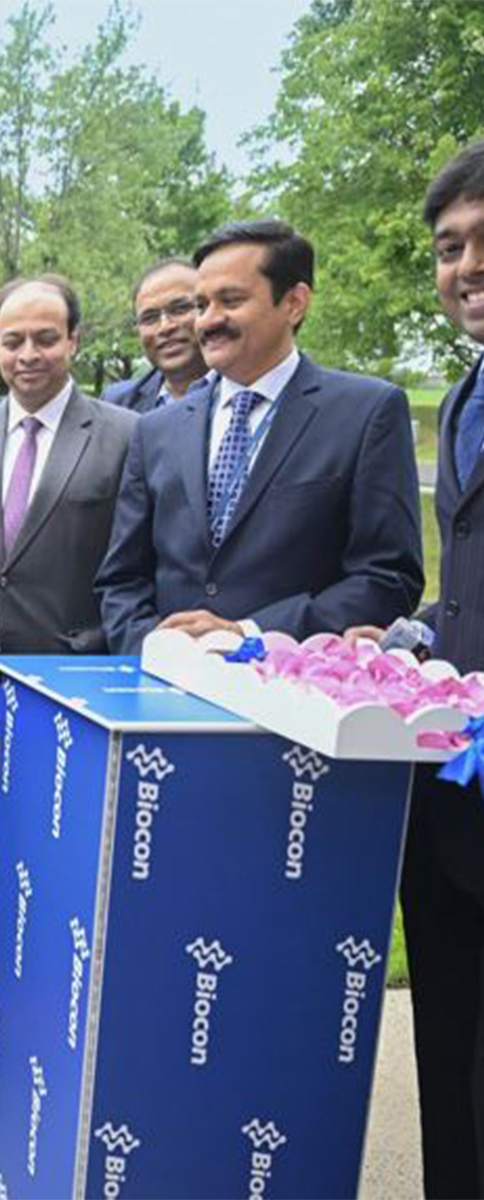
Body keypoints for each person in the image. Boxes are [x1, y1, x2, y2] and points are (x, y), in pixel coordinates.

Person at [0, 275, 137, 1046]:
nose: (28, 354)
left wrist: (96, 652)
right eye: (13, 339)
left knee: (71, 849)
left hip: (73, 681)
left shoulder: (124, 435)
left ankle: (70, 994)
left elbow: (133, 562)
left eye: (45, 337)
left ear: (75, 341)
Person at [348, 140, 484, 1198]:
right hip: (447, 795)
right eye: (449, 247)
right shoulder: (463, 395)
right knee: (447, 1037)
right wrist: (410, 638)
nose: (465, 266)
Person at [95, 219, 423, 654]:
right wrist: (152, 653)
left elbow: (387, 579)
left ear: (294, 303)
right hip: (162, 693)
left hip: (294, 700)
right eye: (201, 304)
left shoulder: (366, 413)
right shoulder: (156, 430)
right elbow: (122, 578)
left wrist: (248, 635)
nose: (208, 321)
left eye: (230, 301)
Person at [101, 258, 209, 413]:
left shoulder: (242, 393)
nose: (165, 327)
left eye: (180, 309)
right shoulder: (118, 404)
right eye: (150, 318)